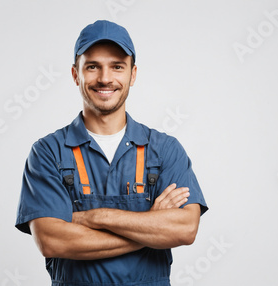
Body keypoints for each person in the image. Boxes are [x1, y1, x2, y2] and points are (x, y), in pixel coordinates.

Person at [15, 20, 208, 286]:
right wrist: (150, 225)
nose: (105, 78)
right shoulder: (48, 152)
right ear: (75, 74)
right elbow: (51, 240)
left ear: (133, 74)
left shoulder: (164, 150)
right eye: (93, 66)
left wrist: (93, 217)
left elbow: (184, 229)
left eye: (117, 66)